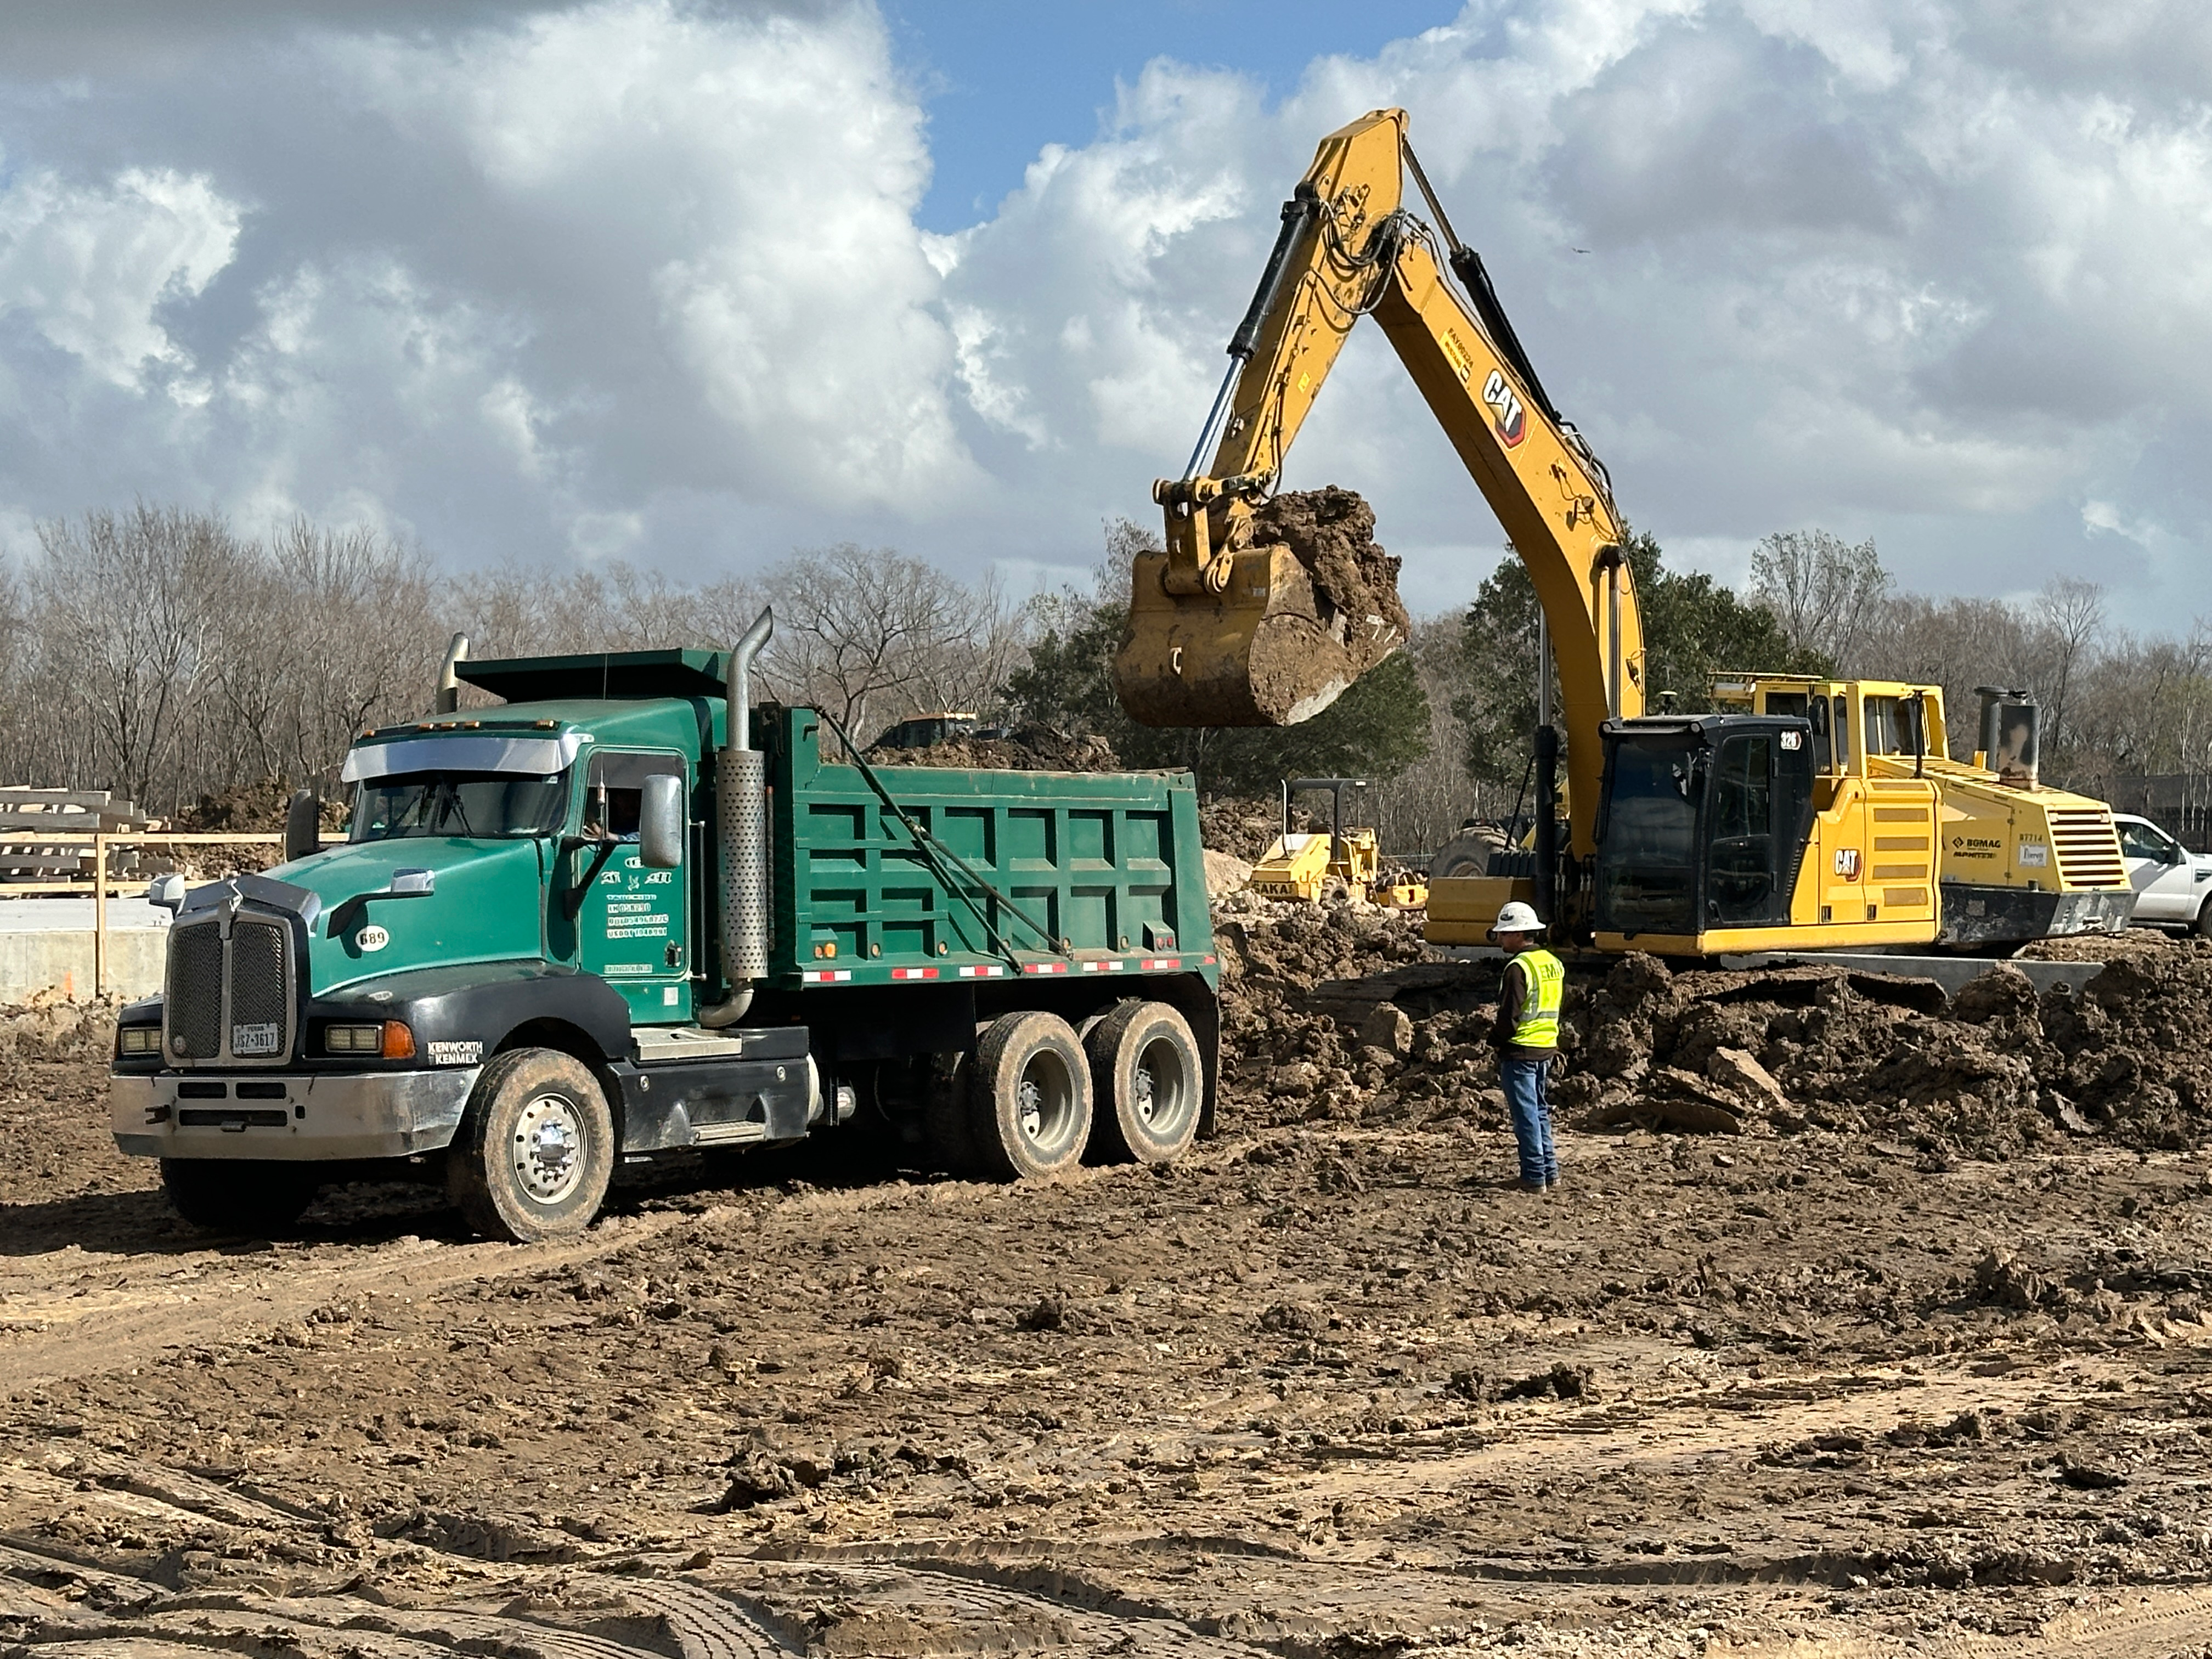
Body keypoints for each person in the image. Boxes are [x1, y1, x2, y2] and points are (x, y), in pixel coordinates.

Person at [1488, 900, 1563, 1193]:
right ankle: (1549, 1172)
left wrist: (1495, 1041)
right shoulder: (1552, 963)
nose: (1501, 938)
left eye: (1505, 933)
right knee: (1540, 1111)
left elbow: (1510, 1015)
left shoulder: (1518, 968)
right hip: (1546, 1047)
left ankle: (1533, 1176)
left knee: (1526, 1116)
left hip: (1521, 1051)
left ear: (1519, 935)